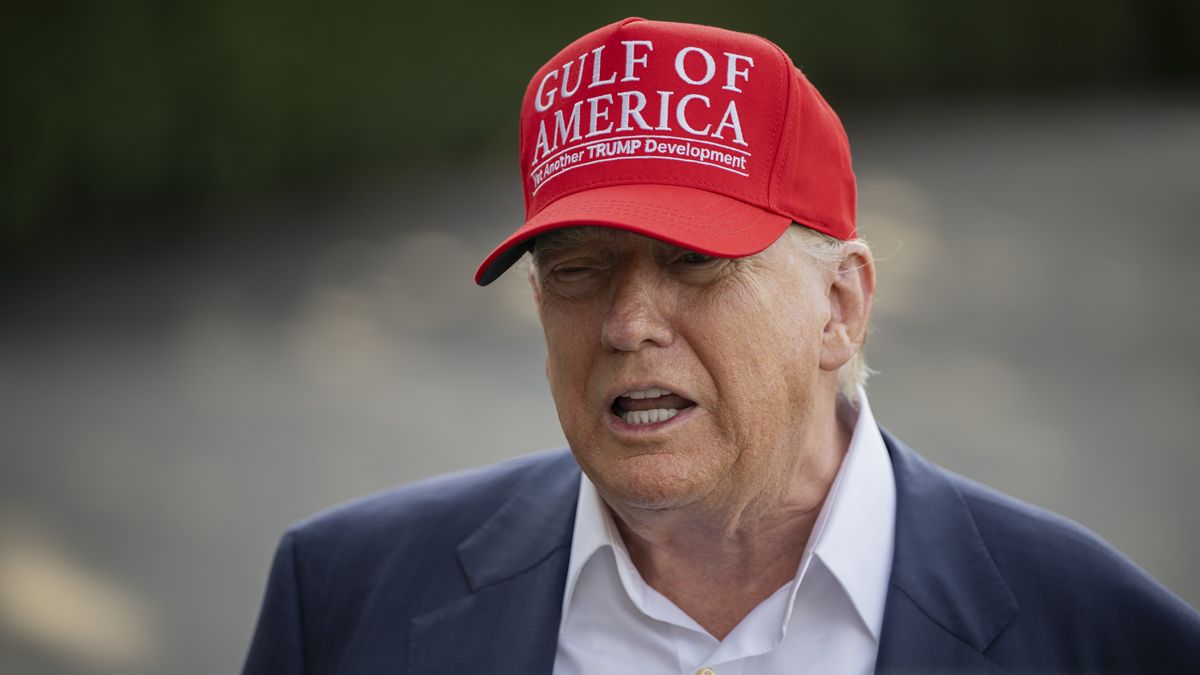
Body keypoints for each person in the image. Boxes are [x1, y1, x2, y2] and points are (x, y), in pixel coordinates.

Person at [243, 17, 1200, 674]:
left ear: (842, 305)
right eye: (578, 267)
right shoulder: (339, 598)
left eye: (697, 261)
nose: (627, 323)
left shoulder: (1113, 641)